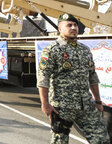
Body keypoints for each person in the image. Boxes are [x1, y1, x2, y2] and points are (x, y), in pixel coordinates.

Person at [37, 13, 110, 143]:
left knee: (101, 139)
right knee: (60, 141)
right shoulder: (52, 50)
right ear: (60, 29)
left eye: (75, 25)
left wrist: (98, 101)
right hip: (62, 107)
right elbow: (43, 78)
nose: (73, 28)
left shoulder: (85, 50)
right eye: (69, 25)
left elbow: (92, 76)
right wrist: (45, 104)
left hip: (85, 105)